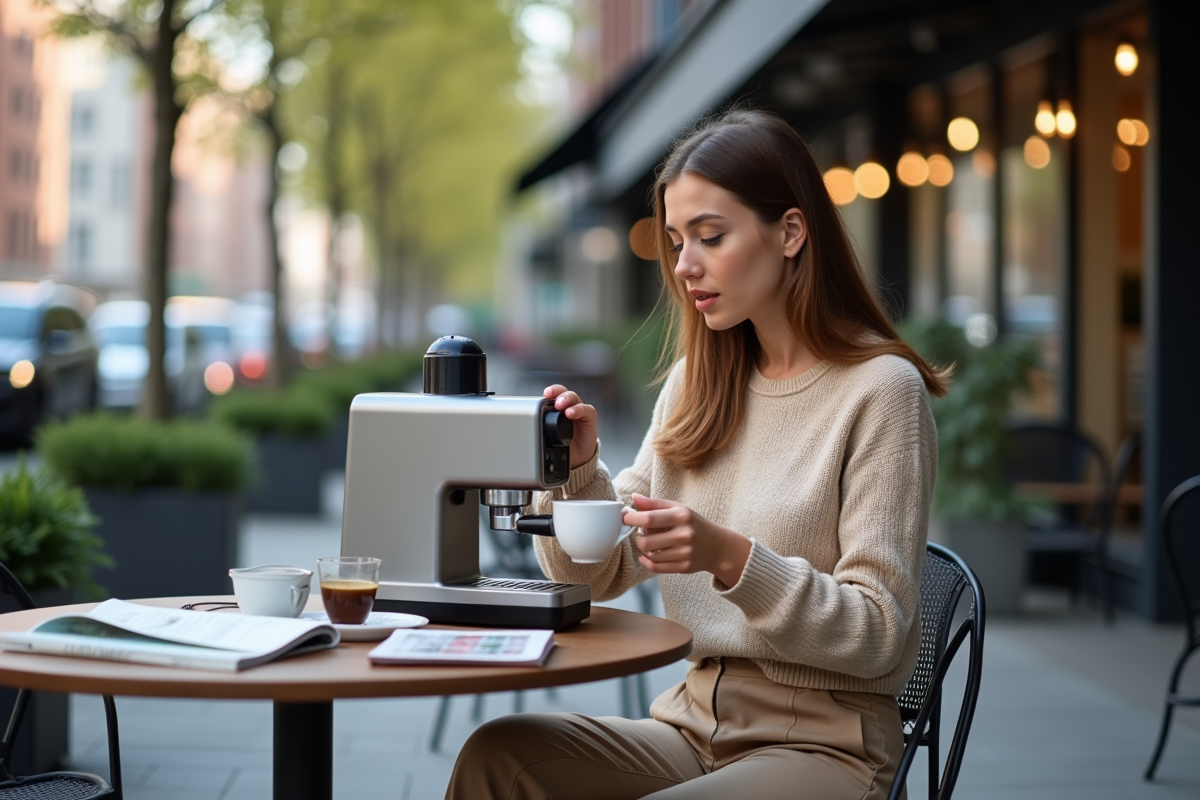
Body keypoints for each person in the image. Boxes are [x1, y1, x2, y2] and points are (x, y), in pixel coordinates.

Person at [444, 108, 948, 800]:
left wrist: (730, 558)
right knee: (499, 753)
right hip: (691, 724)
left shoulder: (880, 392)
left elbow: (880, 634)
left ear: (791, 233)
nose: (684, 267)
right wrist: (578, 472)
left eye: (710, 237)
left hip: (827, 744)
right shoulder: (697, 383)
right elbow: (597, 573)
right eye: (676, 242)